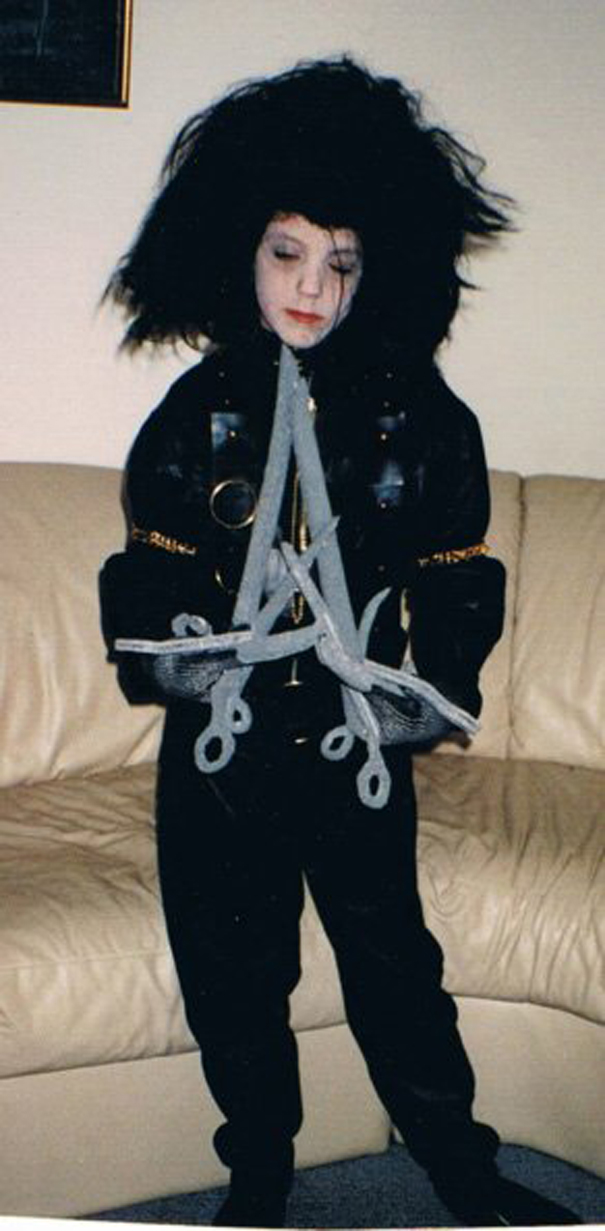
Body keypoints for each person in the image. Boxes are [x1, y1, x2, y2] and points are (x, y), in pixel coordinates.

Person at [100, 57, 579, 1227]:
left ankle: (458, 1168)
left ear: (381, 270)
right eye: (285, 252)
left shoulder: (418, 413)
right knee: (232, 971)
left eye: (341, 260)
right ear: (235, 252)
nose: (311, 285)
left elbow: (456, 574)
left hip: (350, 740)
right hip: (219, 749)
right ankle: (258, 1175)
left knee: (392, 966)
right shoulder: (193, 410)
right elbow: (152, 560)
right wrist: (172, 650)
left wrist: (434, 687)